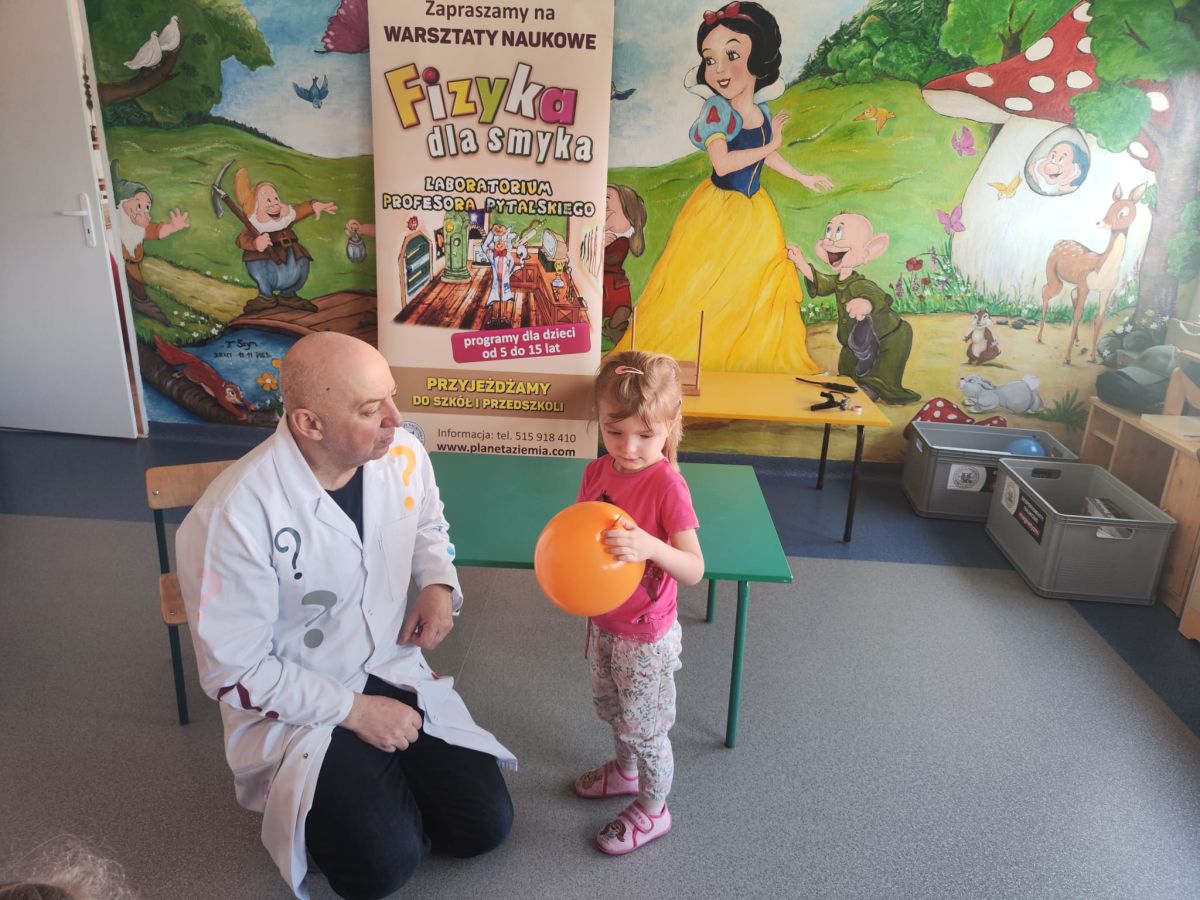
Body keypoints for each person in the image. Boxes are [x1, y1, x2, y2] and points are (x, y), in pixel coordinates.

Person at [176, 332, 515, 900]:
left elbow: (429, 524)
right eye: (370, 409)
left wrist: (438, 582)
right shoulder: (232, 517)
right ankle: (355, 802)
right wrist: (355, 711)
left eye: (392, 396)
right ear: (310, 424)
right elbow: (235, 672)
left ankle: (376, 792)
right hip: (300, 701)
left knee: (483, 826)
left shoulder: (401, 454)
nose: (396, 419)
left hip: (388, 662)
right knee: (382, 870)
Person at [612, 2, 833, 373]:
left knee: (756, 285)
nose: (719, 70)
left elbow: (767, 156)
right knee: (705, 287)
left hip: (756, 211)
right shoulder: (717, 111)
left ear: (758, 58)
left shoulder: (762, 112)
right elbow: (723, 163)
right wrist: (770, 144)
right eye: (709, 59)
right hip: (717, 213)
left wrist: (801, 176)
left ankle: (746, 362)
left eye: (732, 55)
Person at [571, 351, 705, 855]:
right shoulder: (596, 471)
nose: (628, 448)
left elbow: (693, 568)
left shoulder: (668, 485)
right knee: (611, 706)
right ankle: (626, 773)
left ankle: (654, 808)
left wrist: (650, 546)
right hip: (604, 621)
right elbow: (583, 534)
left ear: (670, 427)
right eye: (614, 431)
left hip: (646, 634)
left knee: (645, 727)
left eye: (645, 435)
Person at [788, 213, 920, 404]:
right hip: (857, 337)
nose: (830, 240)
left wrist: (866, 304)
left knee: (881, 368)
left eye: (839, 233)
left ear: (868, 252)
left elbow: (879, 297)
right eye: (829, 231)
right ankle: (851, 381)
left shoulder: (860, 284)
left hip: (887, 336)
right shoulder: (842, 280)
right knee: (850, 363)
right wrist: (800, 262)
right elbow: (823, 284)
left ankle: (873, 388)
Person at [233, 167, 338, 315]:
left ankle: (288, 295)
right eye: (267, 201)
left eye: (276, 199)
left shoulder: (285, 217)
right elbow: (241, 240)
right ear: (256, 206)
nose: (274, 204)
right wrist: (256, 244)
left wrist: (313, 206)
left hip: (289, 257)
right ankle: (266, 296)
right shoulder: (254, 225)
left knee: (302, 259)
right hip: (265, 260)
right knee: (258, 265)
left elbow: (299, 210)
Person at [110, 159, 189, 325]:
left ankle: (141, 303)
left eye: (147, 207)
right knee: (120, 285)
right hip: (120, 264)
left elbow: (155, 231)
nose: (144, 212)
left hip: (133, 264)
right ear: (123, 203)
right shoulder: (118, 225)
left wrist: (172, 227)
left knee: (137, 284)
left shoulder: (138, 228)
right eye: (138, 205)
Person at [602, 184, 647, 344]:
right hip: (599, 280)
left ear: (628, 216)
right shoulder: (598, 234)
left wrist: (602, 246)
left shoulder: (621, 240)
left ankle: (612, 329)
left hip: (613, 280)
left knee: (623, 308)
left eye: (606, 204)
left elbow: (612, 259)